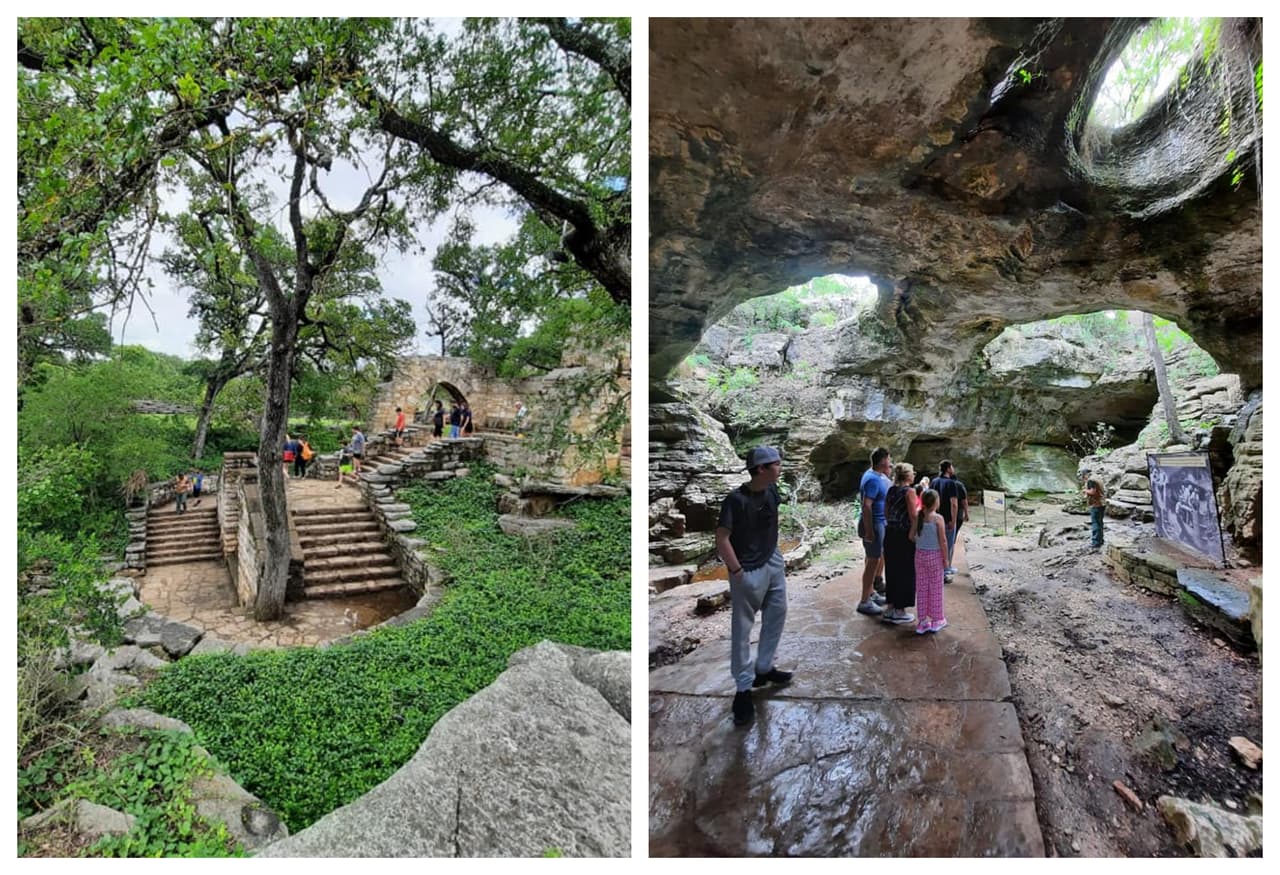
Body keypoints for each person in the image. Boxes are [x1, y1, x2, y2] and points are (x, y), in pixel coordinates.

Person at [715, 445, 792, 727]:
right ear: (761, 468)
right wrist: (736, 571)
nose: (780, 467)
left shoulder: (772, 491)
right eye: (775, 463)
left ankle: (763, 668)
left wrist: (774, 553)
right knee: (743, 628)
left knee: (778, 612)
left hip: (772, 560)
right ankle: (743, 689)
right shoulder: (735, 500)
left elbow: (771, 521)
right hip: (747, 568)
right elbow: (722, 537)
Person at [856, 447, 892, 616]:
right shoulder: (872, 479)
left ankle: (870, 593)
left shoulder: (876, 476)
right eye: (889, 459)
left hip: (879, 523)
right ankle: (864, 601)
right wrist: (869, 531)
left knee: (874, 558)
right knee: (872, 561)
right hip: (875, 524)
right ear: (883, 460)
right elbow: (866, 505)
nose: (890, 462)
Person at [881, 462, 918, 625]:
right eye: (912, 472)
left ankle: (890, 606)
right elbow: (913, 516)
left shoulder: (891, 490)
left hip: (890, 533)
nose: (914, 474)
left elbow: (886, 513)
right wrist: (914, 533)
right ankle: (900, 610)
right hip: (904, 535)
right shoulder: (909, 491)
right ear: (907, 475)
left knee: (892, 570)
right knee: (906, 571)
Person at [911, 488, 948, 633]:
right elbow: (943, 541)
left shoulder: (918, 517)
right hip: (935, 556)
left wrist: (921, 542)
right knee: (936, 588)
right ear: (935, 502)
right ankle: (937, 620)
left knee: (922, 587)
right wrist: (945, 559)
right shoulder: (938, 519)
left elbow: (910, 536)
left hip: (919, 556)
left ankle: (922, 622)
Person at [1083, 470, 1107, 549]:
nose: (1084, 479)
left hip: (1096, 504)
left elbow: (1093, 492)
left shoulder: (1091, 480)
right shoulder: (1098, 478)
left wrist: (1085, 490)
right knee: (1100, 523)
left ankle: (1095, 542)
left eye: (1084, 477)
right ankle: (1100, 540)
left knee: (1095, 523)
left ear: (1086, 475)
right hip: (1102, 503)